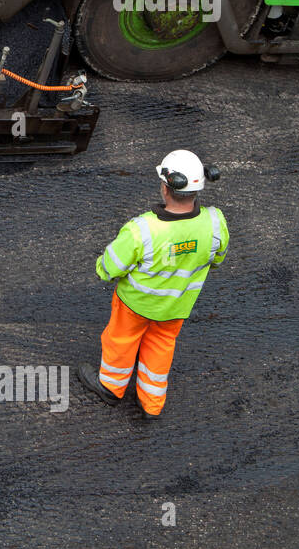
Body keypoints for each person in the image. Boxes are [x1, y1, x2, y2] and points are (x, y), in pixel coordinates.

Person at [77, 150, 229, 419]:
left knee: (121, 341)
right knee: (161, 345)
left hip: (134, 305)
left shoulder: (142, 230)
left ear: (165, 187)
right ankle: (151, 404)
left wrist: (102, 268)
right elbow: (216, 258)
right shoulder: (215, 223)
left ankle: (111, 387)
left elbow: (109, 267)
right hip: (176, 307)